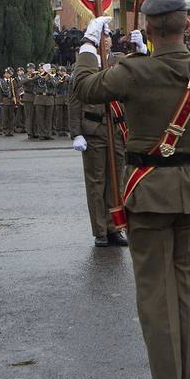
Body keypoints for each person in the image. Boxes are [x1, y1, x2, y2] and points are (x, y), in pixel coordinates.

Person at [72, 0, 190, 379]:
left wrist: (89, 47)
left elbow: (84, 88)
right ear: (187, 25)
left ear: (148, 28)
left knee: (155, 292)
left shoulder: (135, 70)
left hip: (148, 192)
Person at [68, 36, 129, 248]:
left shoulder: (120, 61)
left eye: (108, 36)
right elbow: (75, 98)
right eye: (101, 36)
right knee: (97, 182)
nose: (105, 40)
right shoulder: (86, 63)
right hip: (94, 131)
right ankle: (100, 230)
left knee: (116, 182)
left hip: (117, 130)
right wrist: (76, 132)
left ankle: (115, 228)